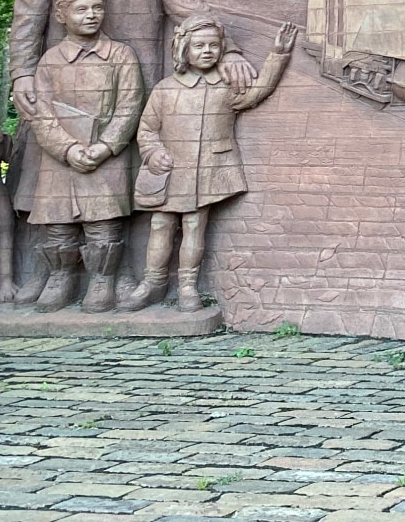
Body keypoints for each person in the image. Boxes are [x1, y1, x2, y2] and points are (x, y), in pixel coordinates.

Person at [7, 0, 251, 297]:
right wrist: (21, 72)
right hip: (63, 81)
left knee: (120, 180)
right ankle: (54, 272)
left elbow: (188, 6)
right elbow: (29, 14)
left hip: (132, 76)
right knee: (58, 180)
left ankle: (116, 274)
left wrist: (230, 51)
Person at [126, 15, 296, 311]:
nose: (207, 51)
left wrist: (277, 54)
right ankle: (152, 282)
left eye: (214, 45)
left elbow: (258, 90)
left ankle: (188, 286)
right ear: (184, 49)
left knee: (194, 225)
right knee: (161, 224)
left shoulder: (225, 86)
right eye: (199, 46)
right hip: (171, 174)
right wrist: (153, 152)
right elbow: (148, 129)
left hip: (207, 171)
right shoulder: (165, 89)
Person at [16, 0, 146, 312]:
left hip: (106, 155)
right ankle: (61, 277)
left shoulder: (121, 55)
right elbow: (42, 114)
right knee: (58, 224)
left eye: (97, 8)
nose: (91, 15)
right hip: (60, 158)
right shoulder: (50, 61)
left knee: (103, 224)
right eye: (81, 9)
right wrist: (67, 149)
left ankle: (102, 279)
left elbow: (130, 106)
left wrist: (106, 146)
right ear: (62, 15)